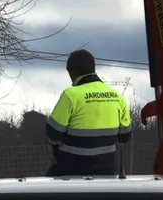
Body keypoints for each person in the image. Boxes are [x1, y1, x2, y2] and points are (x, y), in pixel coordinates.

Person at [45, 49, 132, 177]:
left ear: (72, 72)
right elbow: (125, 136)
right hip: (108, 171)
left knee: (47, 188)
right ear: (93, 68)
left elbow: (53, 134)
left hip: (71, 170)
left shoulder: (70, 96)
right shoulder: (117, 97)